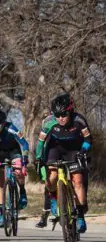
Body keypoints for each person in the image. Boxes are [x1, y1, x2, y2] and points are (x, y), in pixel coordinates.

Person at [34, 93, 92, 233]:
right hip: (55, 148)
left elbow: (88, 139)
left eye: (63, 114)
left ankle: (80, 216)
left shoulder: (79, 120)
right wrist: (38, 158)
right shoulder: (48, 122)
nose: (60, 118)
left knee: (77, 180)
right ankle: (54, 198)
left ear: (70, 111)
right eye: (57, 115)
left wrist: (84, 150)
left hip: (74, 149)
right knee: (51, 177)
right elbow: (41, 142)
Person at [0, 109, 29, 227]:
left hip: (12, 150)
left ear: (4, 123)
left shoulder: (11, 128)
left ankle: (22, 191)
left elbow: (24, 144)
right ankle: (1, 212)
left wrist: (25, 157)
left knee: (18, 170)